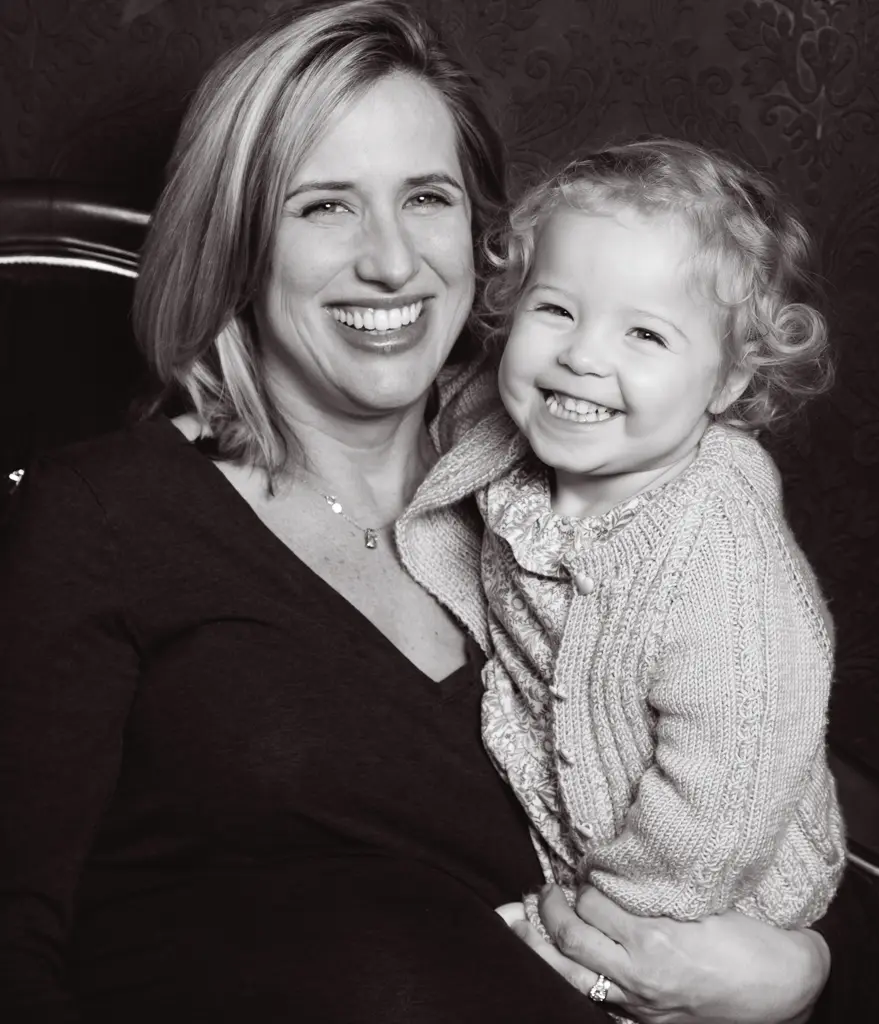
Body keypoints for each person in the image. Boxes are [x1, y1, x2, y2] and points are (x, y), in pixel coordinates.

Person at [0, 2, 836, 1022]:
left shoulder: (613, 494)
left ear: (485, 238)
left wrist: (794, 974)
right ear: (236, 242)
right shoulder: (104, 515)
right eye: (325, 206)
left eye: (426, 198)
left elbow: (753, 781)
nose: (391, 262)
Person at [412, 140, 845, 976]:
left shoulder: (715, 556)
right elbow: (443, 400)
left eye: (645, 333)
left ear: (724, 384)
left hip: (709, 890)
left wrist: (592, 928)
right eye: (556, 310)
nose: (583, 355)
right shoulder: (509, 424)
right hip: (576, 819)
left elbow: (724, 797)